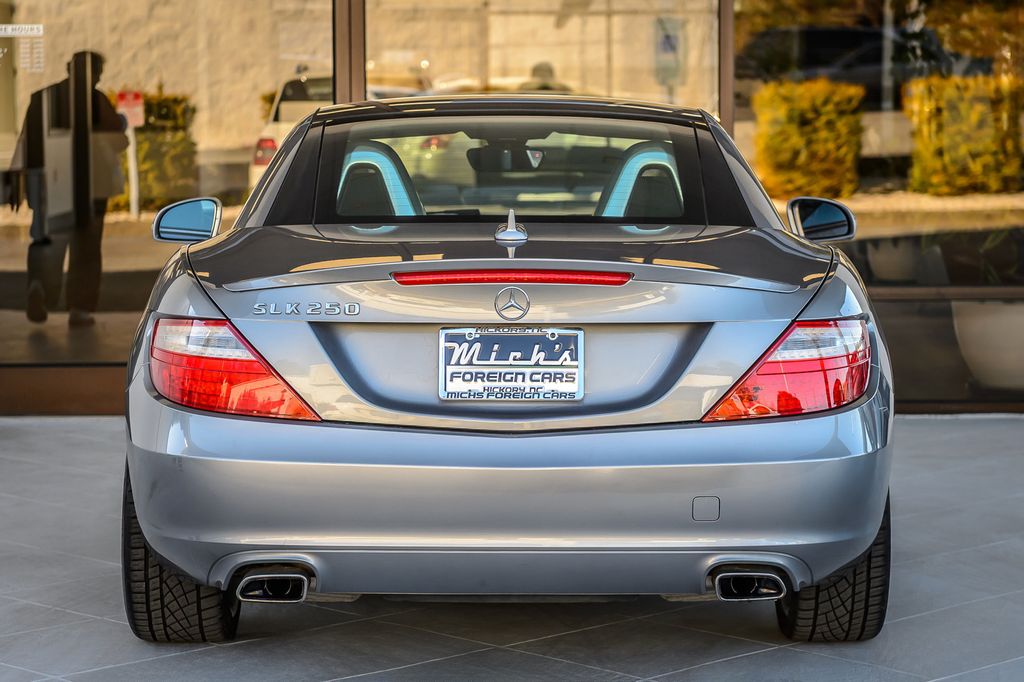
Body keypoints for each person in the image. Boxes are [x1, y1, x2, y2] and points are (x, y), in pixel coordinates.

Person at [9, 50, 128, 326]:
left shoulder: (42, 99)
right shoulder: (97, 102)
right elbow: (119, 142)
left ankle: (39, 286)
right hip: (92, 188)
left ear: (68, 69)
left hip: (51, 184)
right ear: (96, 74)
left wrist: (20, 182)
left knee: (47, 242)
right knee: (86, 248)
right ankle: (80, 308)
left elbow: (26, 143)